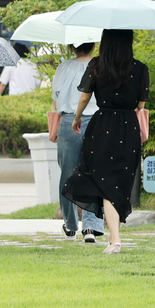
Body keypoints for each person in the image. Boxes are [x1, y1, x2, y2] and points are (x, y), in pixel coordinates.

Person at [63, 29, 148, 255]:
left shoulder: (97, 64)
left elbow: (85, 96)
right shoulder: (140, 68)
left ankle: (115, 239)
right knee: (119, 182)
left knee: (105, 182)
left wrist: (77, 117)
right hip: (128, 127)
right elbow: (141, 105)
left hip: (102, 125)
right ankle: (113, 236)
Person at [53, 42, 104, 242]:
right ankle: (91, 227)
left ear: (73, 46)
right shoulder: (101, 66)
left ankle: (70, 224)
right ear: (93, 45)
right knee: (94, 173)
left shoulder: (64, 67)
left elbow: (56, 97)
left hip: (69, 120)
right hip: (98, 121)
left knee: (68, 174)